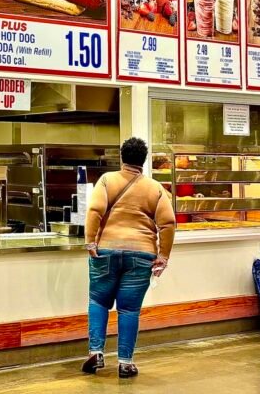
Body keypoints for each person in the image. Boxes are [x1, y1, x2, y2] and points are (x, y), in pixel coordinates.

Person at [82, 137, 175, 379]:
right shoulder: (155, 188)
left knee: (99, 301)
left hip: (107, 250)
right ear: (143, 160)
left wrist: (90, 241)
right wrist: (163, 256)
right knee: (129, 309)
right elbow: (168, 223)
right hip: (142, 253)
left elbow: (94, 211)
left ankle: (96, 351)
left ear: (122, 157)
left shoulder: (106, 180)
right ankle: (125, 362)